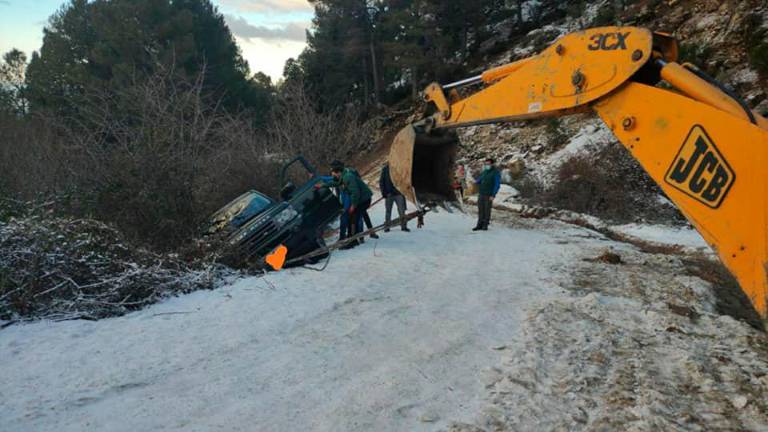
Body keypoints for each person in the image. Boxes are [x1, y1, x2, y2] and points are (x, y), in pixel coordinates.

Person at [324, 160, 377, 242]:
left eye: (332, 168)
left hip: (358, 198)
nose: (331, 171)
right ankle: (359, 236)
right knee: (357, 216)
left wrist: (353, 204)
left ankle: (360, 237)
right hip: (354, 197)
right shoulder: (342, 174)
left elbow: (355, 190)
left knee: (357, 218)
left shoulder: (349, 174)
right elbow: (333, 181)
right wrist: (321, 181)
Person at [379, 162, 410, 232]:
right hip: (389, 194)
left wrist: (404, 190)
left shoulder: (400, 168)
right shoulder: (385, 169)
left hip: (399, 193)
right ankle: (387, 226)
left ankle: (403, 226)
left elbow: (404, 179)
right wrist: (384, 193)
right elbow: (381, 181)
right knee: (388, 211)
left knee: (401, 210)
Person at [473, 157, 501, 231]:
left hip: (489, 195)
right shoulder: (485, 171)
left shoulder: (495, 173)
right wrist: (476, 182)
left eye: (488, 164)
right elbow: (480, 179)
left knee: (487, 210)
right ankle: (479, 224)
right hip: (481, 193)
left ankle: (485, 225)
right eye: (486, 164)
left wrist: (493, 195)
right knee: (480, 210)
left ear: (492, 164)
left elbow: (497, 184)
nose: (487, 165)